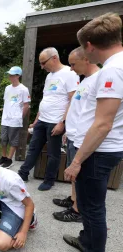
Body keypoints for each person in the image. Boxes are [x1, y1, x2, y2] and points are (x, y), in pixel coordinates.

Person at [58, 13, 123, 252]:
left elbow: (102, 125)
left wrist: (76, 161)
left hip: (98, 151)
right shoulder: (115, 66)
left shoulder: (113, 70)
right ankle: (87, 240)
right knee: (87, 203)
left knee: (93, 208)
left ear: (90, 46)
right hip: (98, 149)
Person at [17, 47, 79, 191]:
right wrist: (37, 119)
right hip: (43, 120)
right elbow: (46, 99)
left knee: (53, 153)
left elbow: (73, 101)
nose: (42, 66)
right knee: (33, 148)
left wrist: (62, 123)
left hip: (55, 122)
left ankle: (49, 180)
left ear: (55, 58)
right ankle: (23, 173)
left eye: (44, 62)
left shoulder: (69, 74)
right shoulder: (49, 76)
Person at [52, 47, 99, 223]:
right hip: (73, 136)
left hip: (83, 140)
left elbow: (96, 118)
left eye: (73, 64)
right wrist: (68, 130)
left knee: (79, 176)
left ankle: (78, 211)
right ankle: (73, 201)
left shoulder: (98, 80)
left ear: (86, 59)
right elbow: (78, 110)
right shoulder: (84, 80)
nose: (71, 68)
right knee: (74, 176)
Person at [0, 66, 30, 169]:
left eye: (12, 75)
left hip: (15, 120)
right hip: (5, 119)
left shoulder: (23, 89)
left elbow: (26, 105)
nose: (10, 76)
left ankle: (10, 159)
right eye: (9, 75)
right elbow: (7, 102)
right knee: (3, 138)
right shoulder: (7, 88)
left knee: (13, 140)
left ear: (18, 76)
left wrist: (19, 117)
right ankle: (4, 157)